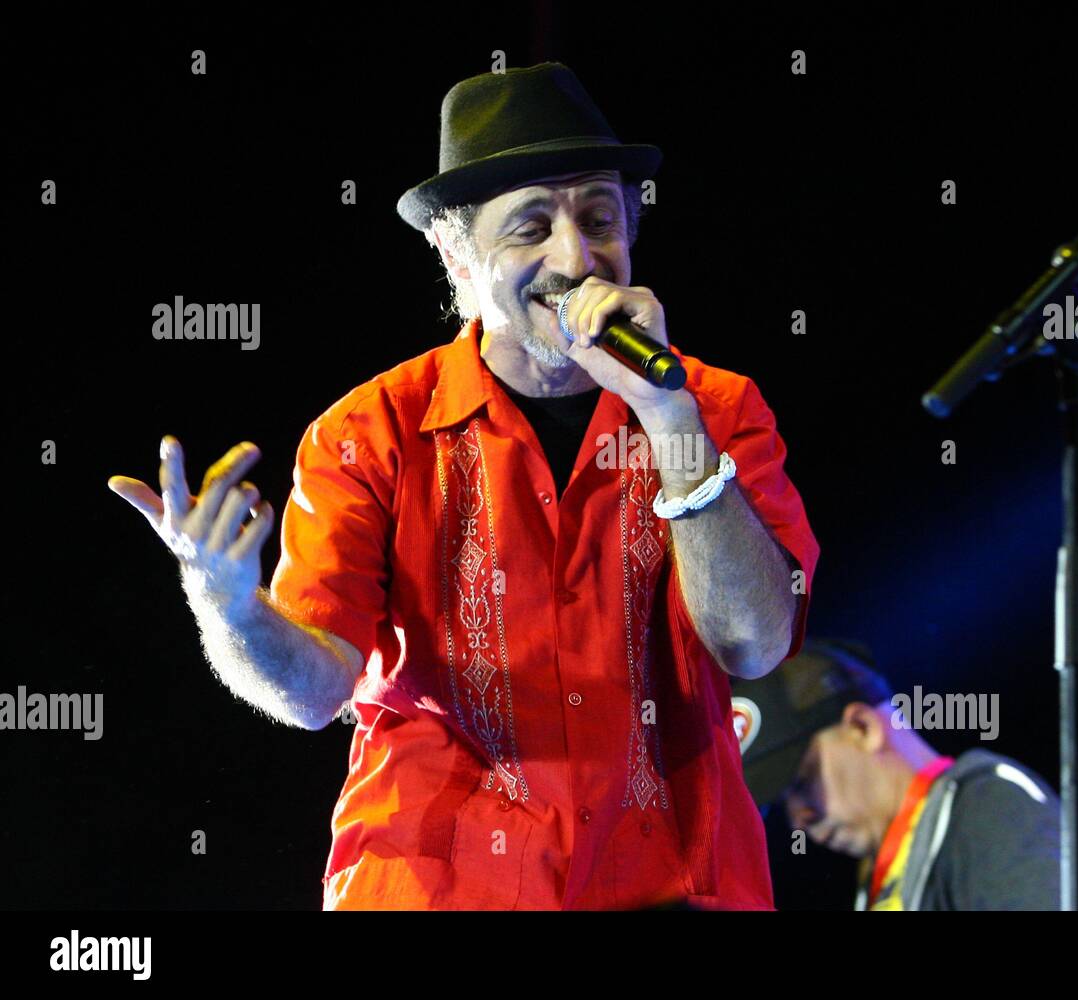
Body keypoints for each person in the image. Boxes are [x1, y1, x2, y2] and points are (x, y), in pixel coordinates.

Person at [107, 62, 820, 910]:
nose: (576, 256)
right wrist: (227, 605)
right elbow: (315, 691)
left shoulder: (712, 408)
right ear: (456, 255)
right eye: (530, 227)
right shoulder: (369, 433)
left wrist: (668, 418)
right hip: (439, 887)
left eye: (599, 217)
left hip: (671, 884)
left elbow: (755, 644)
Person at [732, 639, 1078, 909]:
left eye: (802, 781)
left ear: (863, 727)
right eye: (783, 800)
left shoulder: (987, 804)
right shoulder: (884, 870)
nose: (798, 819)